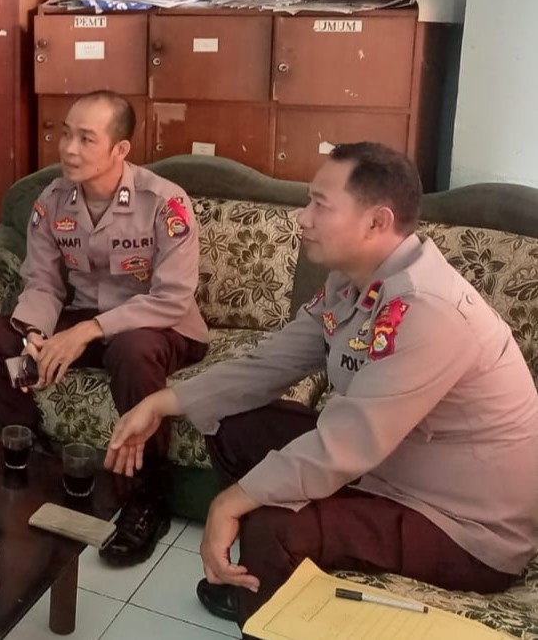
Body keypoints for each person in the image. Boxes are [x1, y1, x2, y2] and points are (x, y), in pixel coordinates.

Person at [105, 142, 538, 627]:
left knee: (272, 526)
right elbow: (271, 362)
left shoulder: (429, 311)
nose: (303, 217)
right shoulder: (351, 281)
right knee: (235, 428)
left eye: (320, 205)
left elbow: (347, 444)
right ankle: (264, 585)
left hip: (460, 524)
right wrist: (161, 403)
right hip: (394, 467)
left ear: (376, 222)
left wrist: (232, 501)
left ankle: (268, 609)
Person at [0, 90, 209, 565]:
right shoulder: (52, 202)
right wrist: (34, 334)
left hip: (160, 326)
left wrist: (87, 331)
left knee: (131, 350)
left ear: (120, 149)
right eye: (65, 134)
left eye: (86, 139)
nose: (69, 149)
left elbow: (171, 298)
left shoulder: (164, 202)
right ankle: (38, 457)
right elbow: (43, 282)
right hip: (84, 322)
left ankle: (148, 495)